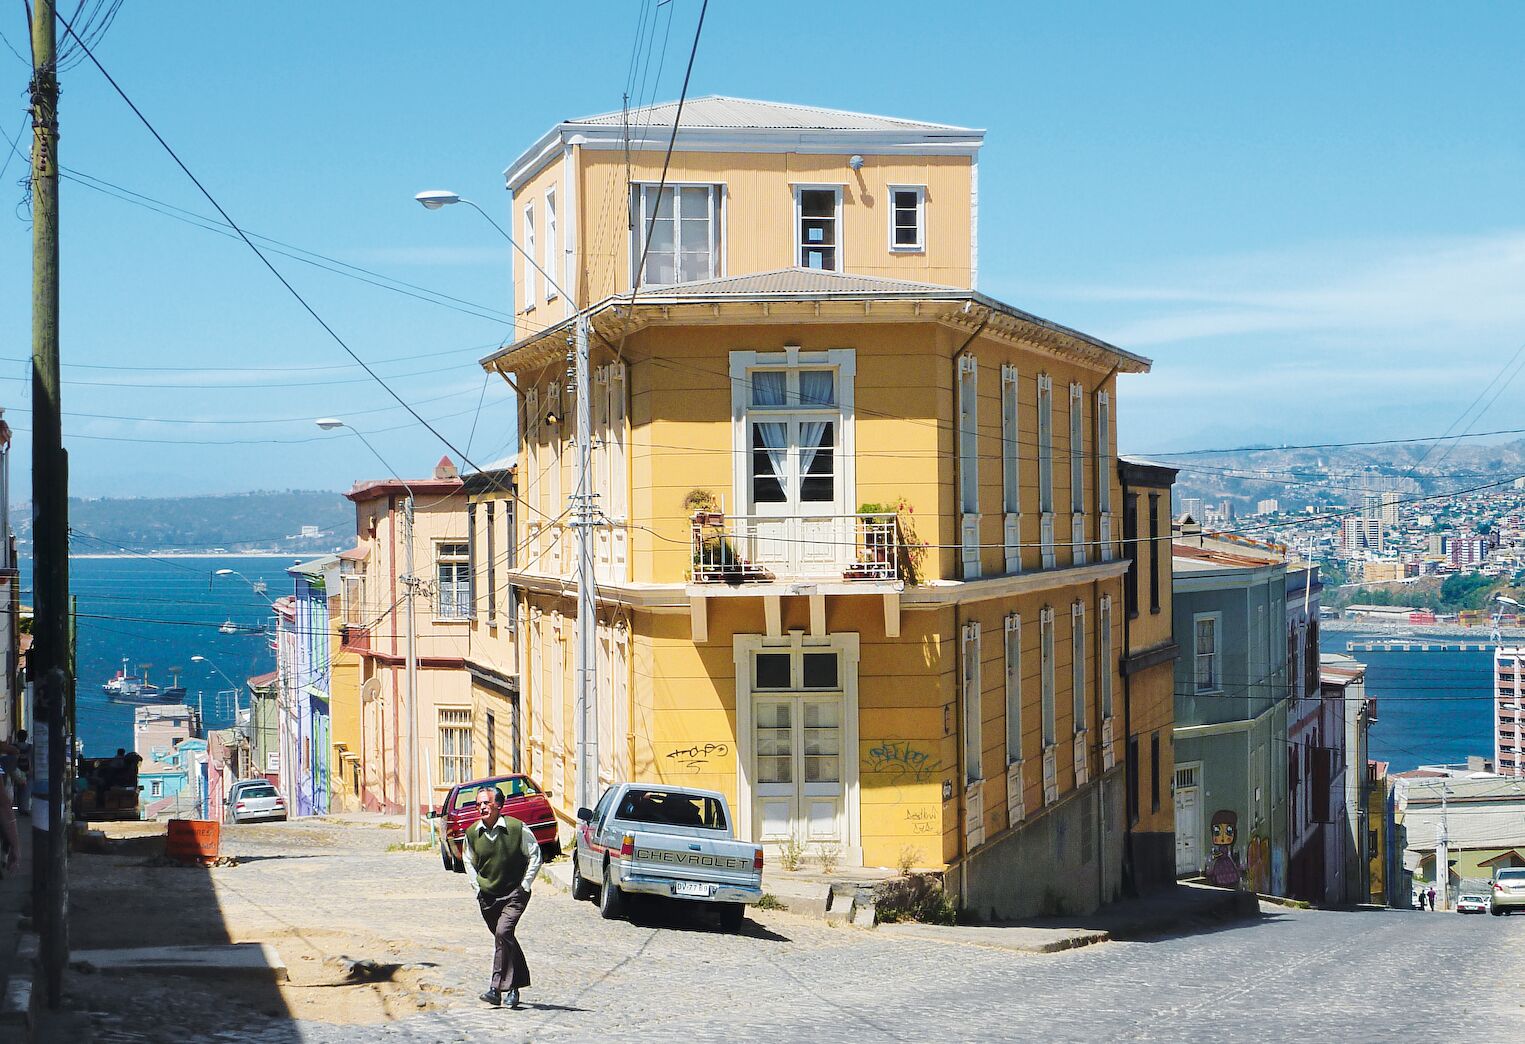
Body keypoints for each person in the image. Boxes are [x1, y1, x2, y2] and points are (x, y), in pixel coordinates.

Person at [463, 786, 541, 1009]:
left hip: (514, 894)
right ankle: (514, 989)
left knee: (503, 932)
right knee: (504, 939)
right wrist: (477, 886)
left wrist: (525, 885)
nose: (482, 808)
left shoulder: (517, 829)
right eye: (478, 804)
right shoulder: (472, 833)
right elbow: (468, 860)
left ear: (499, 805)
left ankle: (495, 989)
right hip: (488, 896)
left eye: (486, 803)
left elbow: (535, 855)